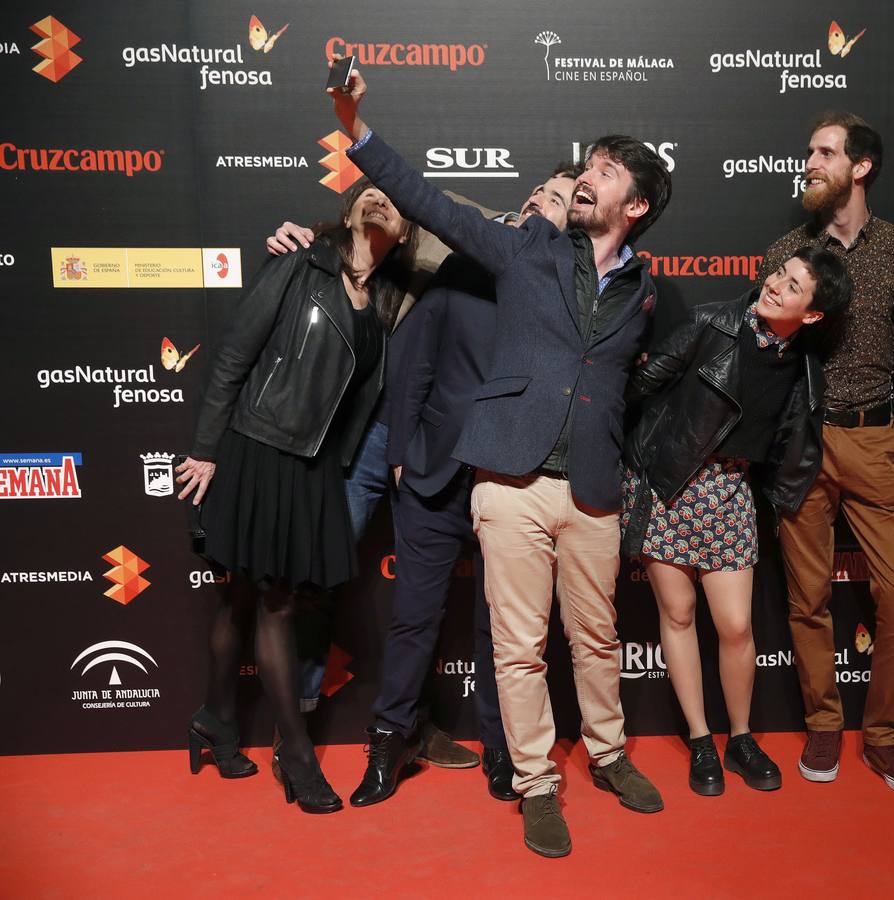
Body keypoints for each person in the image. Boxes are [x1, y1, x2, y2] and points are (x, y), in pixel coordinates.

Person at [329, 66, 672, 857]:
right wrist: (357, 130)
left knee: (595, 638)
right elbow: (430, 203)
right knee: (516, 647)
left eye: (605, 174)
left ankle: (611, 757)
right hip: (511, 484)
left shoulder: (642, 291)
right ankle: (535, 784)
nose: (587, 178)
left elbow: (619, 383)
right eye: (585, 169)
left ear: (637, 206)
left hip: (591, 489)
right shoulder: (527, 253)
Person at [266, 165, 582, 806]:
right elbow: (414, 366)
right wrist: (405, 450)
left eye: (555, 199)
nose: (534, 200)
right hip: (432, 468)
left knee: (503, 627)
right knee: (411, 614)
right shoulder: (465, 259)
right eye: (537, 190)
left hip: (511, 481)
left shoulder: (570, 295)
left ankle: (504, 746)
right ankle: (390, 737)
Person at [177, 178, 417, 814]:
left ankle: (215, 720)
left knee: (243, 596)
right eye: (366, 191)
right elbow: (234, 354)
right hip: (258, 448)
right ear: (345, 209)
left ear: (406, 233)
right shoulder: (298, 261)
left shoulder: (386, 303)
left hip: (311, 469)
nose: (377, 199)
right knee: (276, 604)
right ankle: (299, 757)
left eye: (392, 200)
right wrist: (205, 449)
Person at [622, 247, 852, 796]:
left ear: (812, 315)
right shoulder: (711, 324)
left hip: (728, 492)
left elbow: (791, 445)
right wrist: (639, 462)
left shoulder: (802, 368)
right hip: (670, 481)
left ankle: (741, 738)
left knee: (736, 626)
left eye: (793, 286)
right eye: (779, 272)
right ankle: (702, 740)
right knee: (677, 615)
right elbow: (641, 388)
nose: (776, 285)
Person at [759, 111, 894, 795]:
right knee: (808, 598)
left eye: (825, 152)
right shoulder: (785, 250)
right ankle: (824, 722)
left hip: (874, 437)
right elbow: (762, 351)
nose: (810, 162)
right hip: (802, 441)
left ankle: (882, 734)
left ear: (862, 166)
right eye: (809, 151)